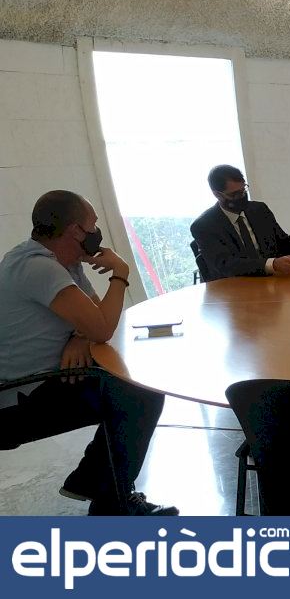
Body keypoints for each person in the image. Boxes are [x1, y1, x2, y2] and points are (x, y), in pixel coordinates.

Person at [0, 191, 177, 515]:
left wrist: (80, 335)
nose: (97, 232)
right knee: (139, 393)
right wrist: (120, 272)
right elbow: (104, 328)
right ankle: (108, 501)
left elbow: (97, 319)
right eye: (92, 225)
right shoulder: (38, 268)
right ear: (76, 231)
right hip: (17, 399)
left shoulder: (64, 264)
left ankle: (97, 485)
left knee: (130, 386)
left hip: (45, 380)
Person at [191, 165, 290, 281]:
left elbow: (286, 244)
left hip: (272, 286)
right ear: (217, 194)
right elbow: (225, 264)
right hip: (233, 293)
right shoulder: (204, 226)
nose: (242, 196)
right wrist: (272, 264)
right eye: (235, 194)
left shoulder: (259, 210)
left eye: (244, 190)